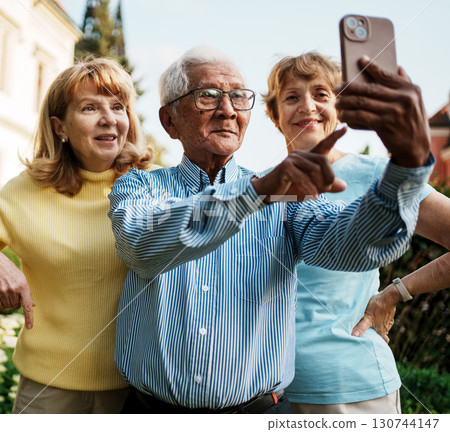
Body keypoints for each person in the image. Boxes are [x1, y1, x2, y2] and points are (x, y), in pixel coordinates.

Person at [108, 46, 433, 414]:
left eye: (238, 97)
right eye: (208, 96)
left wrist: (407, 165)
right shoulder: (139, 187)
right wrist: (255, 194)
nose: (228, 109)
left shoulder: (283, 194)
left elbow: (355, 248)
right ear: (170, 121)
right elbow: (141, 244)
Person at [263, 51, 450, 414]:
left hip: (354, 389)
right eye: (291, 97)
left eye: (321, 94)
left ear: (340, 108)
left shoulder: (383, 175)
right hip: (270, 394)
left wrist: (396, 293)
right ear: (274, 115)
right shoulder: (257, 189)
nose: (307, 106)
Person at [0, 57, 154, 413]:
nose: (109, 119)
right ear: (60, 127)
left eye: (118, 107)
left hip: (136, 392)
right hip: (47, 392)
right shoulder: (23, 192)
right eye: (90, 107)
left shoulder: (155, 186)